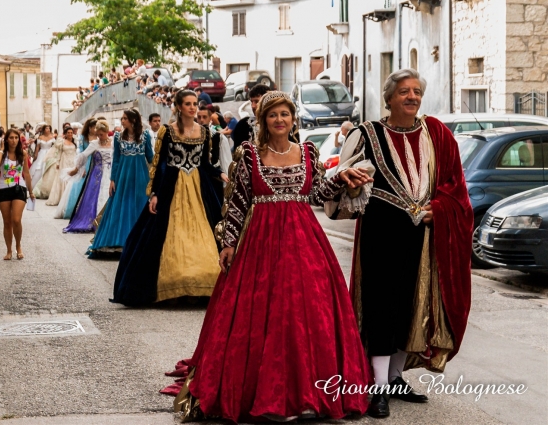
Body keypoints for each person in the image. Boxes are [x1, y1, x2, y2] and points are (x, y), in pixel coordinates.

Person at [166, 91, 373, 422]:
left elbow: (317, 193)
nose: (280, 120)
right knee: (267, 316)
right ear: (262, 121)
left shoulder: (307, 152)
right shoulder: (250, 155)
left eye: (285, 114)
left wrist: (343, 181)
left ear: (293, 120)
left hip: (306, 244)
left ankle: (309, 395)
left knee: (308, 316)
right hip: (260, 245)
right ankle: (268, 393)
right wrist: (228, 243)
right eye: (273, 115)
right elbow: (237, 202)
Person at [325, 69, 473, 418]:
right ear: (388, 97)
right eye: (404, 91)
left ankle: (393, 378)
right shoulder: (366, 134)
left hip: (422, 237)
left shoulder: (436, 133)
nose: (412, 97)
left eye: (417, 91)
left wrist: (439, 210)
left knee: (410, 307)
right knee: (380, 308)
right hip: (379, 233)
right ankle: (377, 387)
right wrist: (349, 184)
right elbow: (334, 186)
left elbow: (456, 186)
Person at [112, 90, 229, 306]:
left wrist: (220, 173)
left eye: (195, 104)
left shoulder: (204, 132)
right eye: (188, 104)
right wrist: (154, 193)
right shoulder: (167, 131)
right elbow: (159, 164)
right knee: (162, 235)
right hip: (171, 188)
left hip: (198, 188)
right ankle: (173, 285)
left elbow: (205, 163)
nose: (193, 108)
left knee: (206, 232)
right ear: (178, 107)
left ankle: (204, 284)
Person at [87, 110, 153, 258]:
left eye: (125, 118)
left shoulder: (145, 136)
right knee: (121, 205)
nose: (122, 121)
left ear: (133, 120)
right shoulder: (118, 137)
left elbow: (150, 156)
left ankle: (140, 241)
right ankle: (119, 241)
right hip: (123, 176)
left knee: (139, 205)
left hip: (141, 175)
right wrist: (112, 179)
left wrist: (157, 175)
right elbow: (116, 159)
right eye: (122, 118)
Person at [64, 120, 114, 234]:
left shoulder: (114, 142)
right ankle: (95, 220)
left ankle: (108, 221)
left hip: (111, 173)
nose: (99, 137)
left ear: (107, 132)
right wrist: (76, 169)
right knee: (96, 196)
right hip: (97, 173)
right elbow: (83, 156)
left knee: (109, 194)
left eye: (101, 134)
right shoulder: (94, 144)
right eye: (98, 134)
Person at [0, 129, 35, 260]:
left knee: (16, 220)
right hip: (3, 189)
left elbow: (26, 173)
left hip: (19, 188)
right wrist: (1, 148)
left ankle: (18, 246)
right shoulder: (1, 153)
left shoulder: (22, 153)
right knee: (7, 222)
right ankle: (9, 250)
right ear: (6, 140)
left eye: (16, 138)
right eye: (11, 138)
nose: (14, 140)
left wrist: (31, 191)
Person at [54, 118, 97, 219]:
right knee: (81, 185)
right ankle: (77, 211)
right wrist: (81, 167)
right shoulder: (82, 137)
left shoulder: (98, 135)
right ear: (90, 127)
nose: (96, 129)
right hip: (85, 161)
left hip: (96, 162)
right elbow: (81, 151)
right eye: (94, 127)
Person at [45, 128, 78, 207]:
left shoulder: (75, 142)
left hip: (72, 161)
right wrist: (58, 162)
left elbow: (76, 152)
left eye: (71, 132)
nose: (70, 134)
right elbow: (59, 153)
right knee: (65, 178)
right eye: (68, 133)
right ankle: (63, 197)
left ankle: (70, 197)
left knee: (72, 178)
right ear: (65, 134)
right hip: (64, 161)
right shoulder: (62, 142)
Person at [30, 124, 55, 189]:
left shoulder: (52, 137)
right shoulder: (40, 137)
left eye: (49, 128)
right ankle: (36, 186)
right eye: (46, 128)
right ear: (44, 130)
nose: (48, 130)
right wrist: (35, 156)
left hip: (50, 153)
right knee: (39, 168)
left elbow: (54, 147)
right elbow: (37, 148)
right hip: (42, 153)